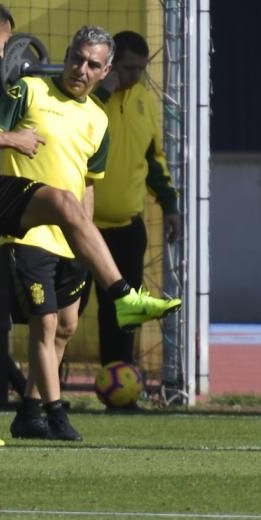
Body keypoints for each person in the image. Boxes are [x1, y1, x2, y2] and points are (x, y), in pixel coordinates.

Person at [0, 0, 181, 447]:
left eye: (94, 64)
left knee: (62, 202)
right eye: (8, 40)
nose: (6, 52)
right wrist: (11, 138)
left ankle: (122, 295)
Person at [0, 25, 113, 441]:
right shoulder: (29, 91)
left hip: (70, 241)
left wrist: (86, 238)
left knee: (65, 328)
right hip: (29, 233)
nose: (81, 68)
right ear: (66, 53)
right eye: (77, 57)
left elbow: (88, 184)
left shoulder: (99, 119)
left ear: (105, 70)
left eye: (92, 64)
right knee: (43, 325)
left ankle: (28, 411)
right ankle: (56, 415)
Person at [86, 30, 181, 369]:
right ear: (110, 66)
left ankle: (119, 387)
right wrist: (103, 91)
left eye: (141, 69)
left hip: (126, 229)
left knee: (124, 315)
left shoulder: (143, 100)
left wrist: (170, 205)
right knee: (64, 315)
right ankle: (46, 397)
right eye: (128, 68)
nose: (135, 76)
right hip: (81, 229)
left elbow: (153, 160)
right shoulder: (86, 97)